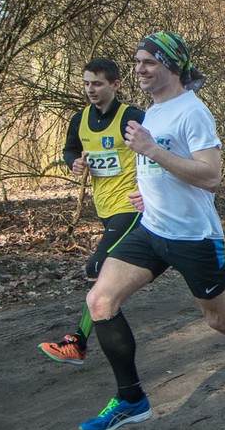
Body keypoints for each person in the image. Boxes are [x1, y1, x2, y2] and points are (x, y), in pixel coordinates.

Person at [77, 32, 225, 430]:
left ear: (171, 66)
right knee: (100, 301)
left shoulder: (193, 112)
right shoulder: (152, 111)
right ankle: (131, 399)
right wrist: (147, 190)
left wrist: (153, 151)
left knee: (220, 320)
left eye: (148, 62)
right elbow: (157, 165)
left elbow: (210, 177)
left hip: (194, 238)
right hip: (151, 229)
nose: (139, 68)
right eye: (138, 61)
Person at [39, 59, 145, 365]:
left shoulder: (132, 117)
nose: (90, 90)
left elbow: (159, 149)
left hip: (131, 206)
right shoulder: (80, 119)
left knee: (96, 268)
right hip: (105, 207)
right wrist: (75, 163)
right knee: (109, 276)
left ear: (115, 84)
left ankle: (78, 341)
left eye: (97, 83)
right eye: (86, 83)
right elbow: (70, 149)